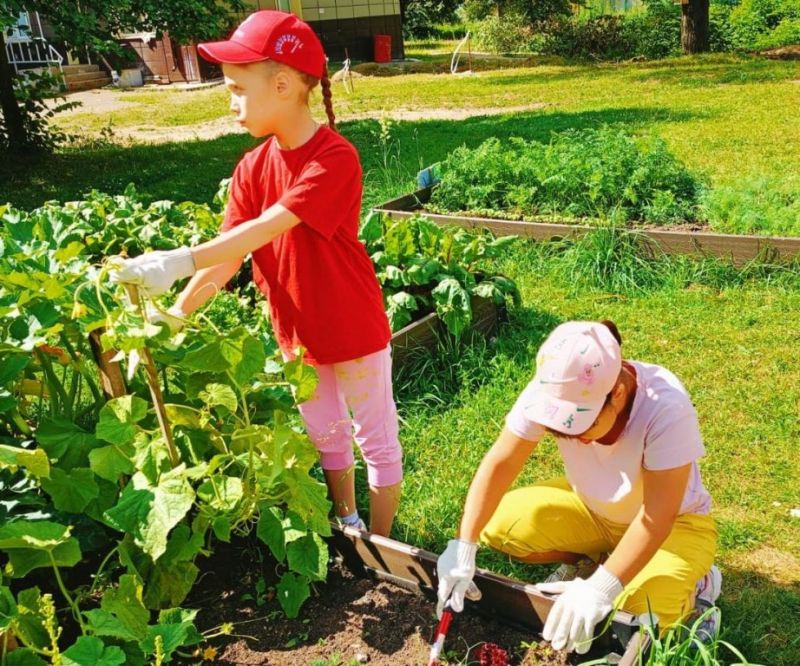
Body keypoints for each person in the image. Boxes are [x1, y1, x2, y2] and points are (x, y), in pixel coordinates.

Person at [108, 10, 402, 536]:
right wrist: (176, 314)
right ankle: (349, 522)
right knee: (326, 435)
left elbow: (270, 225)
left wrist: (178, 261)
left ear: (284, 85)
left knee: (374, 439)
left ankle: (385, 546)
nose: (231, 100)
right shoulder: (250, 167)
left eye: (238, 88)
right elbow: (229, 257)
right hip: (296, 332)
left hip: (352, 326)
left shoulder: (334, 158)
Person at [436, 320, 721, 654]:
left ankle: (700, 587)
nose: (575, 439)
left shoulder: (665, 407)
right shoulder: (554, 385)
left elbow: (657, 516)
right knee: (498, 524)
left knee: (636, 613)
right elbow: (502, 461)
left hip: (674, 526)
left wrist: (601, 589)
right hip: (593, 509)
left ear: (616, 394)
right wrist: (463, 544)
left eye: (583, 426)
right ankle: (602, 560)